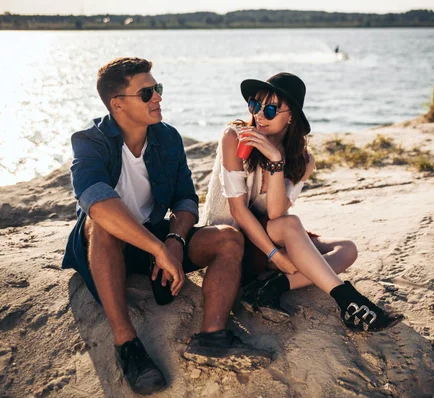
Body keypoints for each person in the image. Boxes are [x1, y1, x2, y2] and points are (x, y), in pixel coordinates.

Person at [61, 57, 270, 395]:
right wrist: (158, 248)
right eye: (146, 93)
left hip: (158, 235)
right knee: (103, 225)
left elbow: (186, 199)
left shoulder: (168, 138)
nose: (158, 97)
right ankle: (127, 344)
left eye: (157, 89)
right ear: (117, 104)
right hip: (107, 244)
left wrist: (174, 239)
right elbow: (96, 203)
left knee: (228, 239)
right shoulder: (90, 141)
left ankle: (213, 336)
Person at [202, 72, 404, 331]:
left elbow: (275, 211)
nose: (260, 115)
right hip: (232, 239)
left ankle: (272, 287)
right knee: (292, 226)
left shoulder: (303, 160)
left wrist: (275, 160)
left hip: (268, 232)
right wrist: (276, 254)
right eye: (255, 105)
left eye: (272, 108)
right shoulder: (235, 136)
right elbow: (238, 211)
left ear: (291, 116)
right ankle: (347, 300)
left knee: (347, 249)